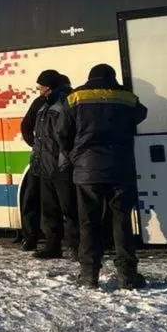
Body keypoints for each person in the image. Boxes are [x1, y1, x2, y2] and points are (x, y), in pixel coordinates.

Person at [56, 63, 149, 290]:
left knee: (89, 223)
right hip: (120, 168)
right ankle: (127, 275)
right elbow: (142, 113)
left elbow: (61, 132)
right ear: (113, 77)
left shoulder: (75, 98)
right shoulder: (126, 97)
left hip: (87, 170)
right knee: (122, 221)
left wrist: (74, 156)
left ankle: (89, 275)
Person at [32, 72, 79, 260]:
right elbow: (40, 136)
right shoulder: (46, 105)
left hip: (61, 165)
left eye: (41, 87)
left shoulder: (64, 104)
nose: (39, 91)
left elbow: (66, 135)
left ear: (49, 87)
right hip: (46, 165)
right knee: (50, 209)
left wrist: (64, 159)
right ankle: (53, 246)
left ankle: (77, 247)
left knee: (70, 209)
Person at [16, 82, 51, 251]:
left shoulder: (40, 103)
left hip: (40, 158)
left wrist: (36, 146)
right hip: (55, 160)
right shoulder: (68, 101)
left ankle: (30, 237)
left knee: (32, 198)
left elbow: (25, 126)